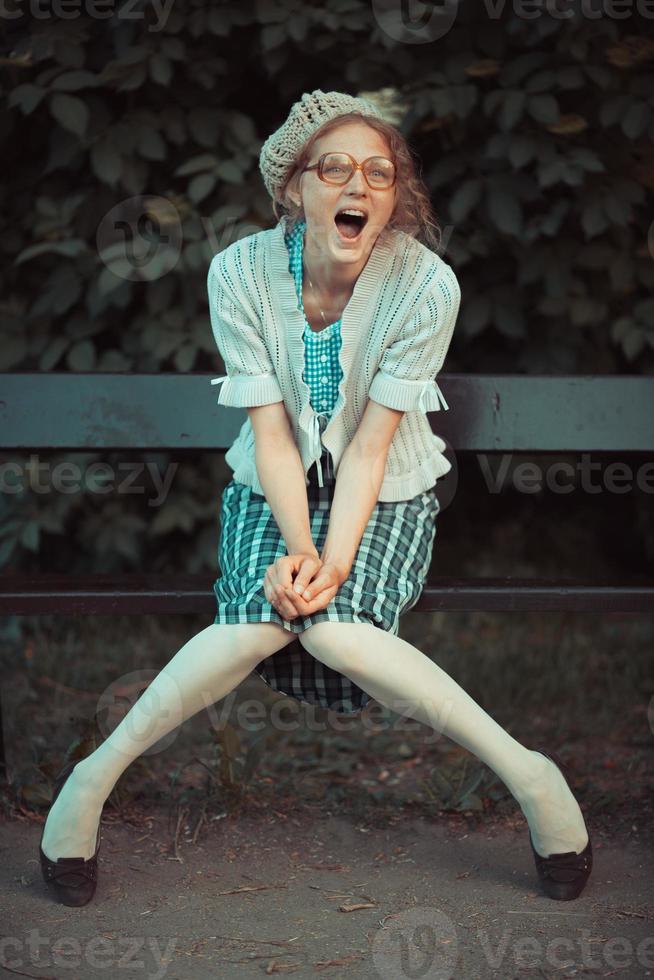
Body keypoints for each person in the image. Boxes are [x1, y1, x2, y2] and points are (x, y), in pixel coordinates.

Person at [39, 89, 592, 907]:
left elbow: (370, 447)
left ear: (395, 198)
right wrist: (299, 550)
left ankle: (534, 778)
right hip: (274, 486)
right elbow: (270, 437)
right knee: (259, 618)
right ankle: (89, 783)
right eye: (333, 168)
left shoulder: (424, 286)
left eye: (379, 171)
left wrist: (329, 566)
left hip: (388, 489)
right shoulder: (239, 273)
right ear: (294, 189)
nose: (357, 185)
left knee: (331, 626)